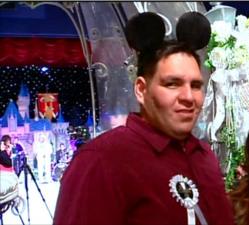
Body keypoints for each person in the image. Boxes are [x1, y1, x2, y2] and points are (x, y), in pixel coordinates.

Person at [54, 12, 234, 225]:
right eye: (172, 84)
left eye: (195, 85)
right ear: (141, 89)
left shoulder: (205, 157)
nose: (188, 97)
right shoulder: (100, 161)